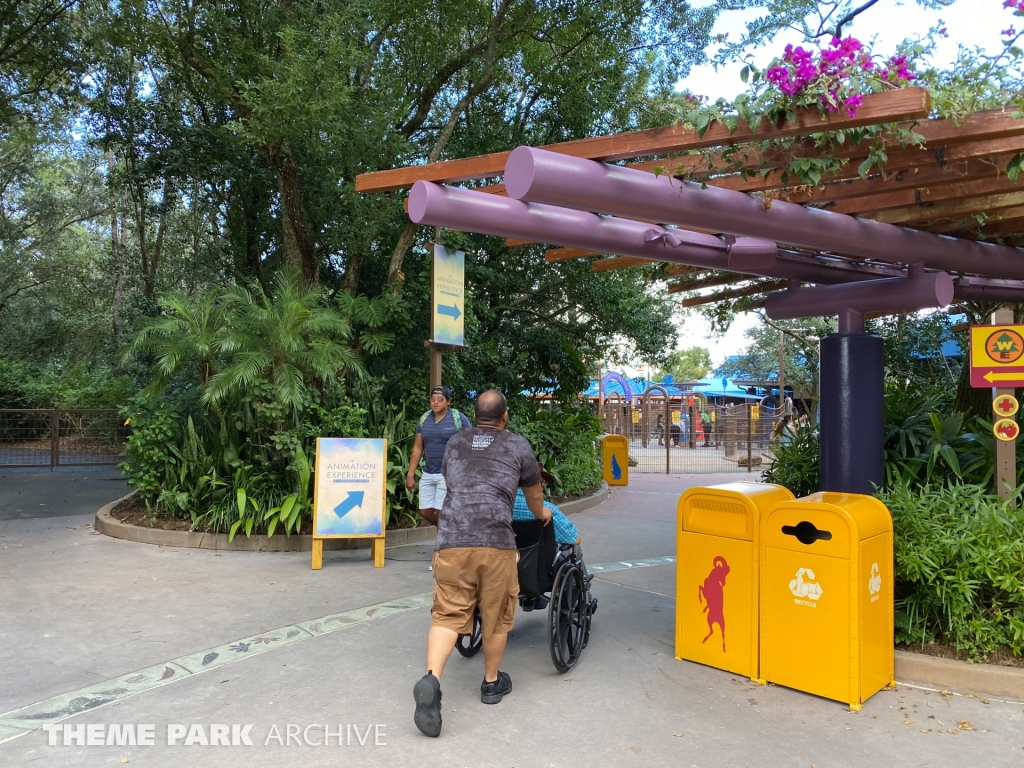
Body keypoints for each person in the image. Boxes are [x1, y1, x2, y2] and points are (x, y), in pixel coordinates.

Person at [413, 390, 550, 738]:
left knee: (447, 614)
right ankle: (491, 682)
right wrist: (542, 513)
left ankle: (432, 678)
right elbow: (534, 495)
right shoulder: (517, 445)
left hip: (452, 540)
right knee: (496, 614)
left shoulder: (456, 443)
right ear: (505, 416)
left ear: (474, 416)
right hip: (495, 543)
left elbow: (453, 483)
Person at [405, 386, 468, 527]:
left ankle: (443, 539)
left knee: (441, 512)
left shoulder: (459, 419)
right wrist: (410, 474)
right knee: (425, 511)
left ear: (448, 401)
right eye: (432, 399)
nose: (435, 402)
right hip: (428, 472)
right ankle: (450, 532)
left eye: (440, 399)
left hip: (448, 473)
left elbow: (469, 443)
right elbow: (418, 447)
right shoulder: (424, 419)